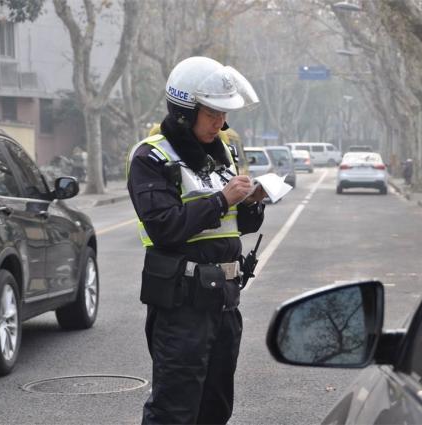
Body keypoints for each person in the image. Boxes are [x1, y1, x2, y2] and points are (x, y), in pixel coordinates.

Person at [126, 56, 266, 425]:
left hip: (224, 302)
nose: (221, 123)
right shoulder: (151, 157)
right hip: (181, 305)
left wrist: (253, 203)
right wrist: (222, 200)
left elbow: (235, 227)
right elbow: (165, 227)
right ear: (185, 111)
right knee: (174, 411)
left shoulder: (225, 154)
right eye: (212, 113)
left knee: (215, 408)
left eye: (224, 114)